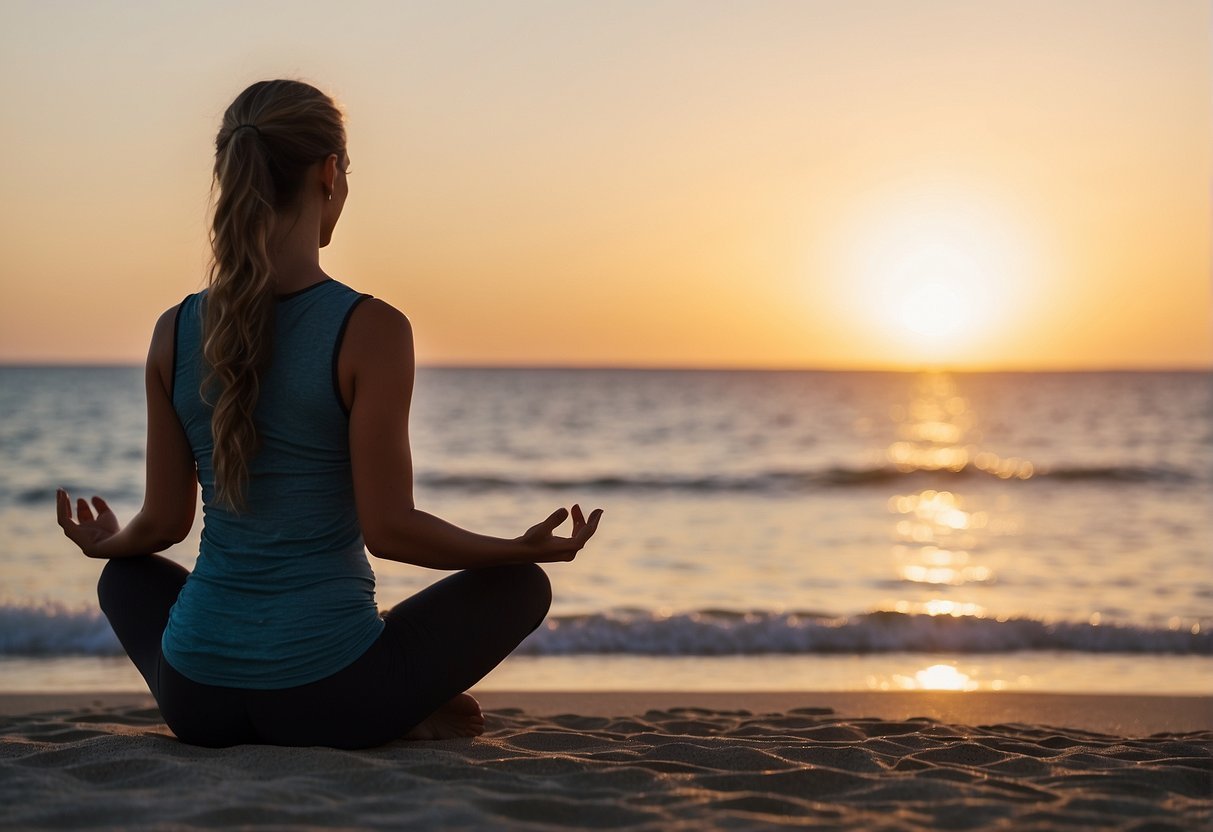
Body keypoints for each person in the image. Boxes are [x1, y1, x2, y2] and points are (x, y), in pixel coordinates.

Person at [55, 79, 603, 749]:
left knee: (126, 575)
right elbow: (390, 530)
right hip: (329, 702)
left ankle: (370, 700)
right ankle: (403, 708)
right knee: (521, 588)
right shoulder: (368, 328)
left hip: (196, 702)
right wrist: (514, 550)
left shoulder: (173, 331)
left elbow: (163, 523)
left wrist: (105, 542)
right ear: (329, 172)